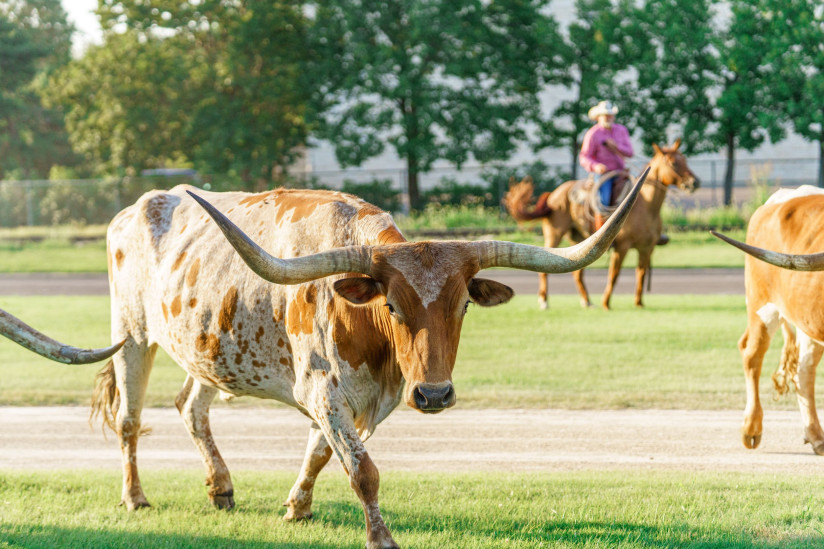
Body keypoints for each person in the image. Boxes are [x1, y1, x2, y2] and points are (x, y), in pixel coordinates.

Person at [579, 100, 634, 230]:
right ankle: (602, 234)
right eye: (605, 115)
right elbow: (584, 157)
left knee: (639, 194)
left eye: (610, 115)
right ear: (598, 117)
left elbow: (630, 152)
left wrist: (617, 146)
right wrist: (596, 166)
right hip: (604, 174)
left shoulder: (621, 131)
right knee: (604, 202)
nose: (608, 117)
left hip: (622, 172)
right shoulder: (593, 134)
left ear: (613, 116)